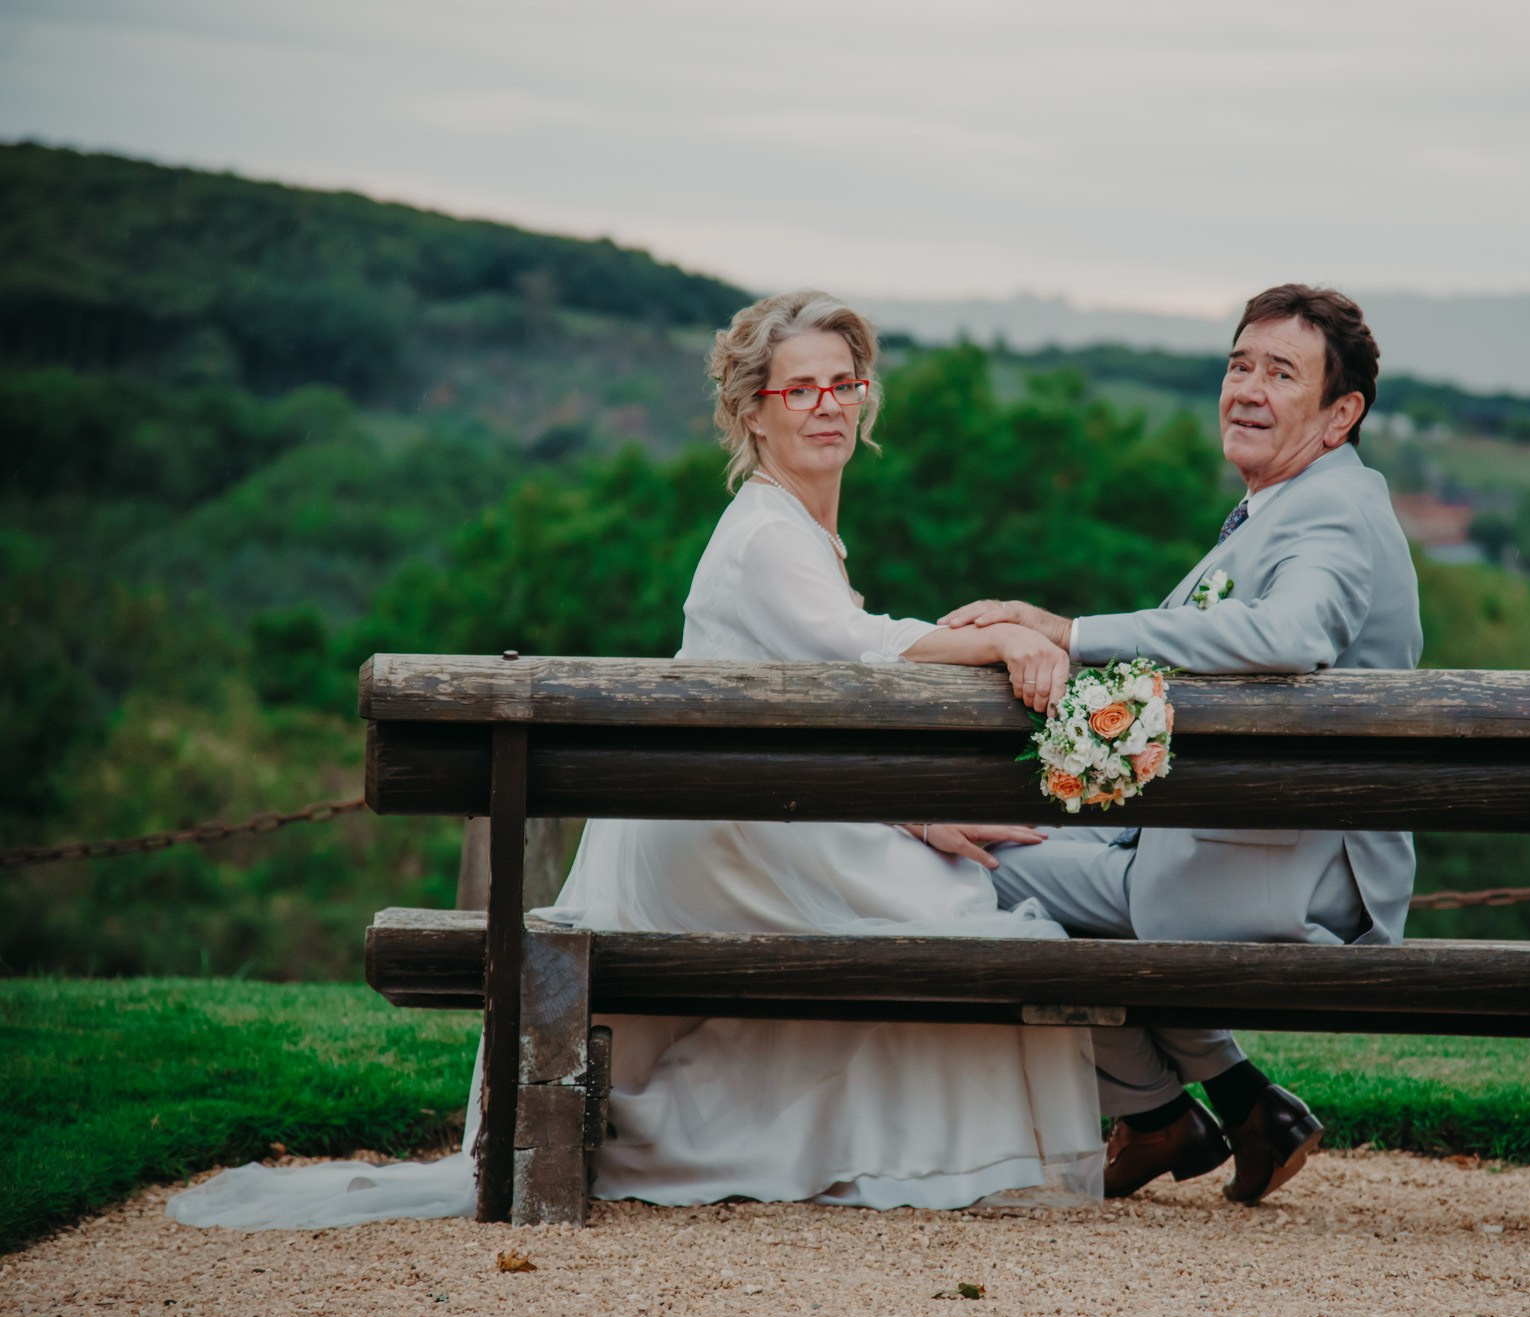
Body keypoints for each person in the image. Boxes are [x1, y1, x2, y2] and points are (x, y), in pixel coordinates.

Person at [168, 290, 1101, 1230]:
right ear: (754, 412)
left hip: (735, 810)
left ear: (865, 398)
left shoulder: (795, 528)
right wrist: (1005, 636)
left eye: (843, 384)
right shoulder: (768, 534)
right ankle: (878, 1144)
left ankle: (869, 1136)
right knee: (964, 915)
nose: (826, 404)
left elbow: (814, 690)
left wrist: (912, 812)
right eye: (800, 389)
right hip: (721, 831)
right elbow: (855, 649)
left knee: (941, 887)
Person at [939, 282, 1422, 1205]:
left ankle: (1161, 1108)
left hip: (1281, 866)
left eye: (1282, 373)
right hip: (1216, 840)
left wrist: (1071, 633)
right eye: (1239, 363)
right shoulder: (1297, 502)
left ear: (1340, 413)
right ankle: (1231, 1106)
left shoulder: (1331, 513)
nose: (1247, 386)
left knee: (969, 872)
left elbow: (1290, 635)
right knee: (997, 846)